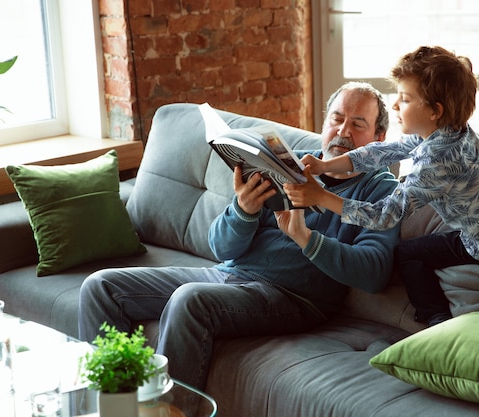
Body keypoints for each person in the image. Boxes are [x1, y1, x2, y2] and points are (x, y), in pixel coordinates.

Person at [78, 81, 402, 389]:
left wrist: (306, 238)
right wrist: (243, 209)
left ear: (379, 135)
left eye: (358, 124)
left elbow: (373, 272)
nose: (343, 131)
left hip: (292, 297)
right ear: (324, 122)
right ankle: (115, 401)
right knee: (101, 287)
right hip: (227, 274)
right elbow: (221, 247)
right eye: (337, 118)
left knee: (190, 300)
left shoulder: (379, 189)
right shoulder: (290, 160)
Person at [284, 46, 479, 326]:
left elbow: (382, 216)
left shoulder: (434, 163)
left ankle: (434, 318)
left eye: (405, 99)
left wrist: (321, 197)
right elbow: (380, 152)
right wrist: (326, 166)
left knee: (408, 255)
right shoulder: (449, 131)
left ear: (435, 110)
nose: (395, 106)